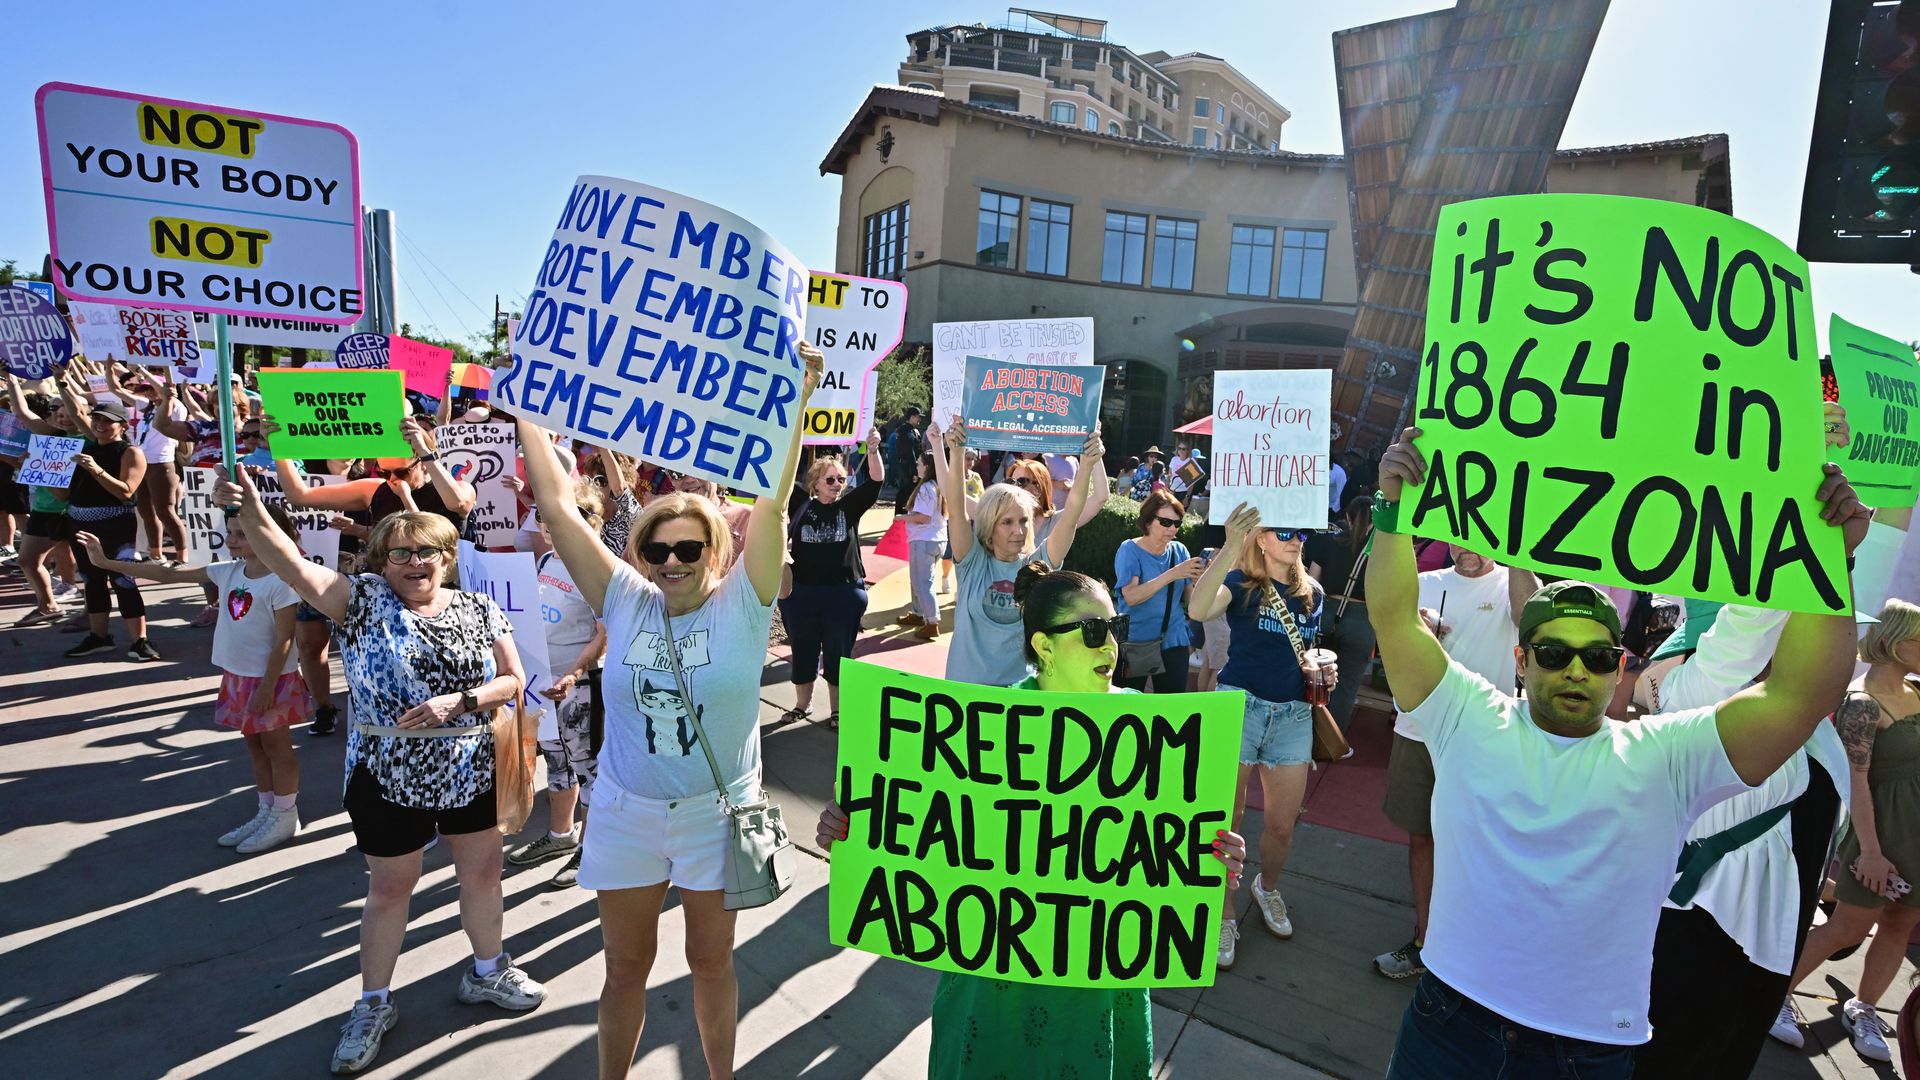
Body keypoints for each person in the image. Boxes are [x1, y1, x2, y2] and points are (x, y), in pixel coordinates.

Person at [1368, 425, 1866, 1078]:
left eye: (1597, 656)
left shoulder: (1666, 755)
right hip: (1449, 1027)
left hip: (1585, 1052)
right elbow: (1394, 618)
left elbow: (1799, 696)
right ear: (1521, 659)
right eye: (1554, 652)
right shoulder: (1467, 715)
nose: (1576, 669)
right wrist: (1391, 509)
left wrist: (1830, 558)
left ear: (1619, 668)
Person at [518, 343, 822, 1080]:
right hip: (626, 812)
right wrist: (526, 395)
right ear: (642, 555)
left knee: (711, 964)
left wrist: (797, 401)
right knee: (624, 969)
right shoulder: (625, 597)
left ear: (715, 550)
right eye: (657, 550)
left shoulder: (745, 603)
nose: (673, 561)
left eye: (688, 547)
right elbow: (557, 507)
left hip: (714, 816)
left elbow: (774, 503)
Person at [815, 564, 1250, 1078]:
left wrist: (1212, 858)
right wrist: (855, 828)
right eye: (1094, 632)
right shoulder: (984, 728)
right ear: (1044, 646)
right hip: (993, 989)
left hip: (1098, 989)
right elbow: (922, 823)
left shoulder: (1150, 729)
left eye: (1116, 628)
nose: (1112, 647)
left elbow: (1162, 847)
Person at [213, 470, 545, 1076]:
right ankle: (372, 1003)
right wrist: (255, 509)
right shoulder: (360, 601)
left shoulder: (480, 607)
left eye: (427, 551)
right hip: (385, 772)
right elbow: (291, 565)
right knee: (391, 888)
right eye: (400, 553)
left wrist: (460, 702)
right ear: (381, 560)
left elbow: (513, 681)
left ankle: (488, 970)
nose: (415, 562)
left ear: (447, 557)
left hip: (470, 765)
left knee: (482, 874)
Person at [76, 504, 313, 852]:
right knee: (255, 746)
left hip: (271, 681)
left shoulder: (281, 582)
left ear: (269, 535)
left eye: (242, 534)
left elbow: (285, 640)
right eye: (229, 532)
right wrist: (106, 563)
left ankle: (285, 814)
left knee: (277, 748)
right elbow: (167, 575)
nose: (231, 540)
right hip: (238, 677)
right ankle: (266, 809)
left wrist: (267, 686)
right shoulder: (229, 571)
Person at [1771, 599, 1920, 1064]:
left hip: (1916, 831)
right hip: (1879, 832)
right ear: (1897, 641)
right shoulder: (1861, 703)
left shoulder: (1917, 691)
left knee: (1900, 923)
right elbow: (1856, 780)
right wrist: (1871, 852)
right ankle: (1775, 997)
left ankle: (1864, 1008)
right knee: (1849, 926)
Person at [1189, 502, 1332, 967]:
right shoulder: (1239, 583)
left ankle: (1266, 887)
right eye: (1284, 531)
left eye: (1301, 533)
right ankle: (1223, 911)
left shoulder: (1313, 593)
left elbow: (1306, 653)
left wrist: (1322, 670)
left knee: (1281, 825)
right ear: (1262, 538)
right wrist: (1231, 542)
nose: (1296, 540)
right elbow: (1198, 607)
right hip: (1240, 708)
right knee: (1226, 820)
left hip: (1293, 716)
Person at [1373, 544, 1518, 980]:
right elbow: (1389, 646)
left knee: (1480, 844)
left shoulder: (1513, 583)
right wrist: (1415, 636)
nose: (1464, 546)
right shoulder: (1424, 584)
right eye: (1456, 536)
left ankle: (1472, 949)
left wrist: (1520, 552)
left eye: (1476, 536)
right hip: (1419, 730)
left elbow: (1529, 616)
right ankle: (1426, 941)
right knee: (1422, 837)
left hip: (1482, 738)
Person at [933, 415, 1101, 687]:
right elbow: (956, 507)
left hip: (1020, 699)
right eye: (1007, 522)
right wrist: (957, 451)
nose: (1018, 530)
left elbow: (1071, 516)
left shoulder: (1039, 566)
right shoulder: (972, 561)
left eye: (1023, 521)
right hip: (965, 696)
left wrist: (1088, 463)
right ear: (990, 527)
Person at [507, 482, 612, 890]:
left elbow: (604, 634)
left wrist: (572, 673)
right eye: (542, 516)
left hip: (578, 686)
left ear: (589, 523)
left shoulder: (595, 568)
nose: (547, 525)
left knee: (588, 769)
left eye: (558, 517)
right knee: (556, 761)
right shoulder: (546, 559)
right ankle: (560, 835)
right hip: (542, 683)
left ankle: (592, 849)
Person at [782, 429, 885, 725]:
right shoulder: (801, 503)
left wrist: (873, 450)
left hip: (843, 594)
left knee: (838, 653)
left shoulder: (848, 507)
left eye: (841, 479)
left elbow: (876, 481)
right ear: (815, 483)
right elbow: (781, 477)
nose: (837, 484)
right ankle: (802, 706)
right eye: (830, 480)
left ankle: (837, 710)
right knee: (803, 650)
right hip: (802, 594)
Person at [54, 391, 157, 662]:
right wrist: (42, 472)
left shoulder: (131, 452)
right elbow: (63, 495)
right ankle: (98, 636)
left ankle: (140, 641)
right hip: (79, 523)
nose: (100, 424)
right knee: (92, 581)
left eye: (107, 421)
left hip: (115, 526)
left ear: (122, 426)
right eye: (97, 419)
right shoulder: (85, 450)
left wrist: (96, 470)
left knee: (123, 580)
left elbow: (126, 491)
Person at [266, 416, 477, 539]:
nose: (393, 480)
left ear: (422, 463)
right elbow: (299, 496)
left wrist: (424, 452)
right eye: (384, 472)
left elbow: (457, 504)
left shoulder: (460, 488)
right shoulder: (377, 489)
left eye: (401, 472)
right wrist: (279, 448)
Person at [1114, 490, 1203, 693]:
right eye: (1165, 522)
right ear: (1147, 521)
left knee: (1171, 705)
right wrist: (1173, 574)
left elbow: (1192, 602)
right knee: (1129, 703)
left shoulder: (1179, 551)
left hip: (1174, 638)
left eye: (1177, 523)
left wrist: (1201, 581)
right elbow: (1131, 596)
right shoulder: (1129, 549)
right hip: (1136, 641)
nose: (1172, 528)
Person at [1306, 495, 1377, 734]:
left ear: (1347, 516)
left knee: (1315, 677)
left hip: (1326, 613)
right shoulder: (1380, 552)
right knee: (1347, 685)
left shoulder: (1328, 542)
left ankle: (1306, 731)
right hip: (1363, 620)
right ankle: (1333, 740)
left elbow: (1312, 582)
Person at [900, 452, 946, 642]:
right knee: (920, 579)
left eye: (919, 463)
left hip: (924, 540)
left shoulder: (926, 488)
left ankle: (932, 622)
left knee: (922, 582)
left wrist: (902, 518)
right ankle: (919, 614)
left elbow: (924, 517)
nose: (916, 466)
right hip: (937, 539)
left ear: (927, 467)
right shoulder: (939, 486)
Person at [889, 406, 926, 513]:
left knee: (909, 491)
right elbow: (910, 453)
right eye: (918, 417)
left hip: (910, 466)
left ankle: (905, 515)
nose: (920, 419)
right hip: (907, 467)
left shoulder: (911, 430)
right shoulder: (905, 432)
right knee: (906, 492)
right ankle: (901, 515)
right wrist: (914, 471)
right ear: (912, 417)